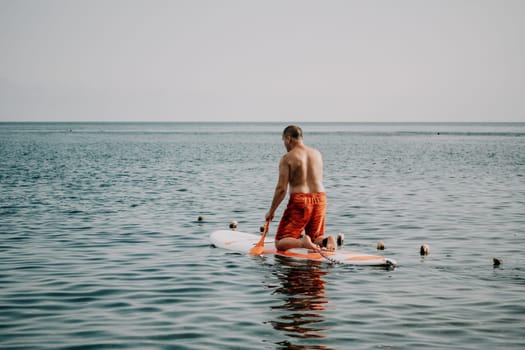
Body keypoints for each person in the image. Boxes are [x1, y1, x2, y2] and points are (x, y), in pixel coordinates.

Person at [265, 125, 336, 252]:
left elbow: (281, 189)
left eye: (283, 141)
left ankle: (302, 242)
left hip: (301, 200)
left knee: (280, 242)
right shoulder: (317, 154)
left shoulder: (287, 158)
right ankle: (326, 240)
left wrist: (271, 211)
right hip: (320, 197)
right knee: (315, 239)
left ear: (288, 139)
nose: (284, 145)